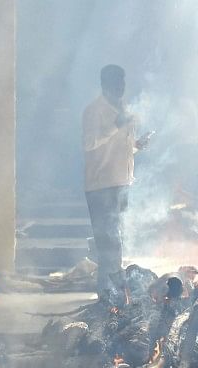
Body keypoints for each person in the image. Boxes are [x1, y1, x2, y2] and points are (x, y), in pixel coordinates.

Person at [82, 65, 150, 298]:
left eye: (122, 83)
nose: (121, 88)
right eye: (116, 83)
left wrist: (136, 146)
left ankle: (115, 292)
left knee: (117, 238)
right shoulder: (93, 111)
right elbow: (89, 143)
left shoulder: (125, 109)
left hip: (122, 182)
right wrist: (116, 125)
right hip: (101, 185)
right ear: (105, 85)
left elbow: (122, 146)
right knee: (107, 241)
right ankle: (105, 291)